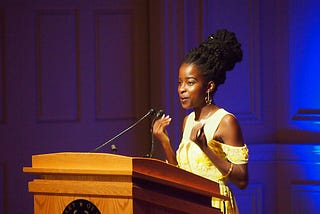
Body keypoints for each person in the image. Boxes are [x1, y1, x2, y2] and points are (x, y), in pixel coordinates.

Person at [152, 29, 249, 214]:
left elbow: (242, 180)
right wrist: (165, 143)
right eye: (179, 83)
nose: (182, 89)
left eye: (190, 82)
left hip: (213, 205)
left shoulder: (225, 122)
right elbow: (181, 176)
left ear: (209, 86)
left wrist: (205, 148)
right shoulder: (188, 121)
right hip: (188, 204)